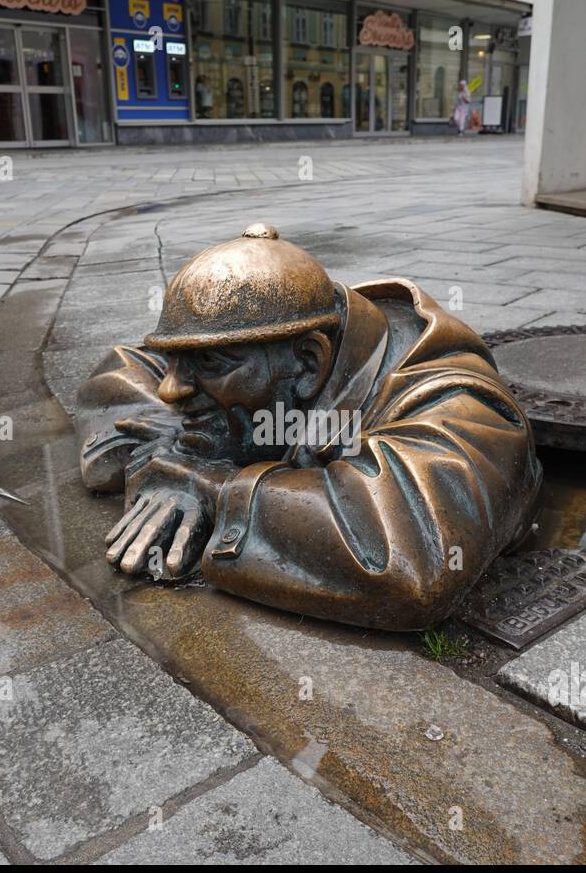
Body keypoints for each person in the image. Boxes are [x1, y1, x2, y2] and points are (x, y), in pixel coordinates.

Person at [75, 224, 542, 632]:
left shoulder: (460, 403)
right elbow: (119, 374)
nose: (171, 391)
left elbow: (409, 562)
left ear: (308, 363)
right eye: (176, 362)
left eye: (209, 364)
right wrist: (178, 451)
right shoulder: (269, 341)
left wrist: (212, 487)